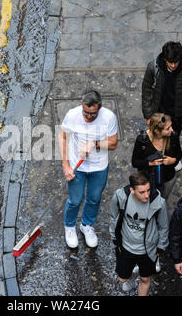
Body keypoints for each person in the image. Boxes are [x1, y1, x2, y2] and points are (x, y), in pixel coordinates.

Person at [58, 90, 118, 249]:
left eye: (93, 114)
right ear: (81, 105)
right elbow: (62, 137)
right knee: (75, 200)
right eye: (86, 112)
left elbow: (113, 143)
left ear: (100, 107)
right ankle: (69, 226)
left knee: (94, 199)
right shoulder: (72, 115)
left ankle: (86, 225)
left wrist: (94, 143)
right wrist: (66, 165)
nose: (88, 117)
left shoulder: (109, 117)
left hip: (99, 167)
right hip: (77, 166)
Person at [109, 171, 169, 296]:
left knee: (145, 279)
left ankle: (140, 274)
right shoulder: (121, 196)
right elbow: (113, 217)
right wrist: (114, 239)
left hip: (147, 250)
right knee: (122, 278)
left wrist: (160, 247)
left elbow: (163, 226)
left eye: (148, 190)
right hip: (126, 247)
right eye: (142, 192)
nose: (146, 195)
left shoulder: (158, 202)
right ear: (132, 190)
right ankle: (132, 274)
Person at [141, 41, 182, 172]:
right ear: (164, 58)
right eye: (169, 62)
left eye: (175, 62)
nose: (172, 65)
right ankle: (157, 156)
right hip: (158, 110)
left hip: (178, 112)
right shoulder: (154, 67)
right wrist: (148, 114)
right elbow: (146, 90)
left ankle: (174, 157)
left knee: (174, 136)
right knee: (157, 134)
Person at [131, 113, 182, 199]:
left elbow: (179, 154)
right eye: (168, 128)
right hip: (147, 180)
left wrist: (173, 161)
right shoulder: (142, 140)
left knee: (162, 200)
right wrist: (151, 163)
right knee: (147, 199)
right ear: (157, 131)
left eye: (171, 126)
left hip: (167, 177)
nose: (172, 129)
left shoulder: (173, 136)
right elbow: (135, 162)